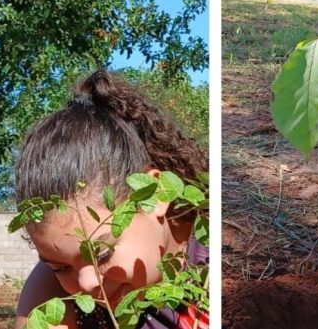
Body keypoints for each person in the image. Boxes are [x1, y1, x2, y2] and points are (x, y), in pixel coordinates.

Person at [13, 70, 209, 328]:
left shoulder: (212, 258)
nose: (87, 283)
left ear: (155, 193)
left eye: (102, 255)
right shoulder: (51, 293)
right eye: (61, 268)